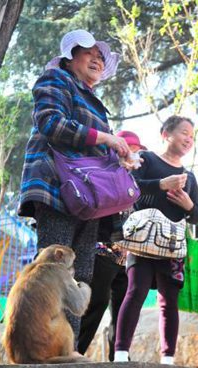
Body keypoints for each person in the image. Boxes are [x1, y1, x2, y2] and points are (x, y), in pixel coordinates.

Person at [18, 29, 130, 342]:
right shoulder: (55, 79)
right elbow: (51, 122)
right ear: (70, 58)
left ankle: (66, 354)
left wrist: (120, 156)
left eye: (100, 56)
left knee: (79, 276)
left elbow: (94, 149)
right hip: (56, 187)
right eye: (88, 52)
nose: (97, 59)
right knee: (52, 270)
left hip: (88, 197)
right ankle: (35, 349)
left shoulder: (94, 100)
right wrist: (107, 138)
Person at [113, 117, 198, 363]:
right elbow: (130, 187)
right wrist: (161, 184)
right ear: (166, 134)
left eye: (192, 136)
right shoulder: (147, 159)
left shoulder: (189, 177)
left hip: (172, 247)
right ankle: (120, 354)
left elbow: (196, 217)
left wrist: (189, 205)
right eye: (184, 132)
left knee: (168, 301)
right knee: (135, 292)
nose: (188, 139)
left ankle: (168, 360)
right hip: (142, 241)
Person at [77, 130, 146, 361]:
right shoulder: (106, 172)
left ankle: (119, 358)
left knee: (123, 310)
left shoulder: (135, 179)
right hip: (103, 249)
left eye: (138, 151)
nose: (136, 155)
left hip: (127, 254)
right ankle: (74, 352)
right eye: (133, 149)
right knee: (95, 303)